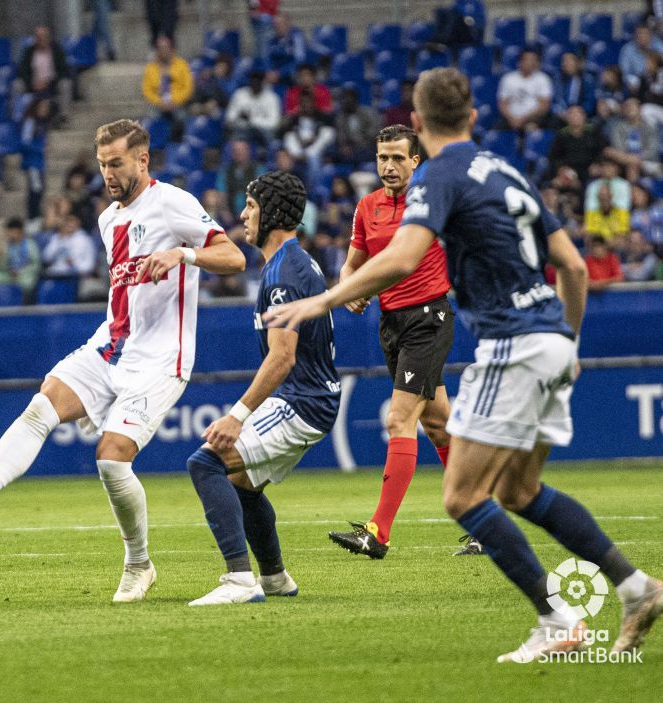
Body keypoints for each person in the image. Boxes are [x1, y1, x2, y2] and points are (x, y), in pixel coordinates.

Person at [264, 68, 661, 662]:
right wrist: (569, 345)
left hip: (512, 343)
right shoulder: (505, 170)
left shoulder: (438, 176)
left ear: (417, 125)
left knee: (463, 498)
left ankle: (557, 618)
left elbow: (403, 257)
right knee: (519, 490)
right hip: (551, 336)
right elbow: (574, 268)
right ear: (473, 117)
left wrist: (324, 299)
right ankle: (636, 588)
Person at [0, 119, 245, 603]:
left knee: (111, 460)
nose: (108, 174)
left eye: (116, 163)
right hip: (110, 345)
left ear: (143, 159)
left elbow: (234, 257)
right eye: (102, 165)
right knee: (41, 407)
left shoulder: (172, 202)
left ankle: (139, 565)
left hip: (160, 359)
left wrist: (183, 254)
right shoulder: (108, 219)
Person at [326, 124, 481, 559]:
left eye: (398, 157)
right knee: (437, 424)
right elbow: (352, 264)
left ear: (416, 160)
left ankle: (378, 532)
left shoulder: (431, 201)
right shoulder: (367, 207)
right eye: (383, 157)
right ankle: (485, 521)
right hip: (391, 323)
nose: (389, 166)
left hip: (429, 319)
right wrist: (350, 287)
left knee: (399, 420)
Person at [186, 170, 339, 605]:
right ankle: (274, 579)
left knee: (206, 463)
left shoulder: (285, 271)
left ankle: (239, 581)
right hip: (310, 398)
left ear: (271, 212)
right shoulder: (288, 262)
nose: (243, 215)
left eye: (251, 206)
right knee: (241, 484)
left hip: (303, 401)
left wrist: (237, 416)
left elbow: (282, 357)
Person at [15, 25, 72, 124]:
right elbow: (22, 71)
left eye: (44, 36)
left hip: (52, 84)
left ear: (48, 37)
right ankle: (18, 115)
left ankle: (63, 116)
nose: (41, 39)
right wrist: (32, 83)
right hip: (33, 84)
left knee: (65, 84)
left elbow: (63, 70)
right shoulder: (29, 51)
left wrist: (48, 82)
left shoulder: (56, 50)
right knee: (17, 84)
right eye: (39, 37)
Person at [0, 217, 42, 301]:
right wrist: (1, 258)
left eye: (12, 232)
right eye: (8, 232)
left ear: (20, 232)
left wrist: (20, 272)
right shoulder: (7, 247)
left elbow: (36, 266)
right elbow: (1, 269)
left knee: (26, 283)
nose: (9, 235)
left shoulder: (30, 245)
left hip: (24, 277)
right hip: (8, 276)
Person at [497, 48, 553, 131]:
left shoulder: (542, 79)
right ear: (520, 62)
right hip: (511, 119)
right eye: (527, 60)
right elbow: (502, 103)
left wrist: (524, 119)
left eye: (533, 60)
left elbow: (544, 105)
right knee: (496, 132)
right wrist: (512, 118)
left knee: (536, 129)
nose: (530, 63)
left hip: (534, 118)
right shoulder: (508, 79)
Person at [224, 66, 281, 147]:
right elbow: (229, 117)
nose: (255, 83)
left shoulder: (272, 97)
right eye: (253, 80)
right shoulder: (240, 94)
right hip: (242, 130)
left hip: (262, 132)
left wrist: (251, 119)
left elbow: (273, 123)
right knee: (234, 135)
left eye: (258, 80)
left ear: (263, 81)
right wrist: (238, 116)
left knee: (270, 135)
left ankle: (265, 152)